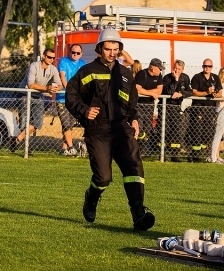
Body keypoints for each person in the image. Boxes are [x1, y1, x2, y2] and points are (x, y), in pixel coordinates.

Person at [65, 27, 155, 232]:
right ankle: (91, 197)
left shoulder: (125, 74)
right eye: (108, 48)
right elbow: (71, 95)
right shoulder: (87, 71)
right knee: (103, 177)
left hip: (122, 130)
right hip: (98, 131)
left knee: (134, 170)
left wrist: (134, 119)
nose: (112, 53)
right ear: (99, 49)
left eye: (116, 49)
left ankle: (138, 215)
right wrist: (84, 110)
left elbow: (132, 102)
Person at [10, 48, 60, 152]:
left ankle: (17, 140)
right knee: (23, 123)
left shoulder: (53, 69)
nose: (51, 59)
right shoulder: (34, 66)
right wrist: (47, 88)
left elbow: (59, 84)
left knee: (38, 122)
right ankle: (24, 147)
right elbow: (31, 84)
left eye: (53, 58)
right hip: (25, 94)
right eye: (49, 57)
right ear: (43, 56)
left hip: (37, 96)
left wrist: (55, 88)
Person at [189, 59, 222, 161]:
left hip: (210, 108)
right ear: (202, 66)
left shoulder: (215, 78)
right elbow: (194, 92)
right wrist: (206, 92)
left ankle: (203, 154)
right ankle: (195, 155)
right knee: (197, 131)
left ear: (212, 67)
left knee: (207, 131)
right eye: (205, 66)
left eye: (209, 66)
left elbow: (220, 91)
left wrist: (216, 95)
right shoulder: (197, 77)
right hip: (199, 107)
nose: (207, 68)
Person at [55, 43, 86, 156]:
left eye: (78, 53)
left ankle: (64, 149)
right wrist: (69, 91)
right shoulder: (63, 61)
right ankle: (72, 147)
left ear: (81, 54)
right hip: (62, 99)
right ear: (69, 52)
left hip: (76, 100)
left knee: (70, 125)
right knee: (66, 124)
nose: (75, 55)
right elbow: (62, 76)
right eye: (73, 52)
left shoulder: (83, 64)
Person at [162, 59, 193, 162]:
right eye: (175, 68)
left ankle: (175, 154)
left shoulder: (185, 78)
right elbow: (169, 91)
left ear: (182, 69)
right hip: (167, 106)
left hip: (177, 108)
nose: (176, 70)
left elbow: (190, 92)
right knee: (166, 130)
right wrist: (175, 80)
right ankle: (163, 154)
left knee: (176, 131)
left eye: (179, 69)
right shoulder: (167, 78)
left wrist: (181, 94)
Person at [134, 58, 164, 156]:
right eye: (159, 68)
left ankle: (142, 151)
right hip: (139, 105)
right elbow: (137, 89)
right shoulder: (142, 74)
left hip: (149, 105)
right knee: (139, 128)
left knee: (147, 128)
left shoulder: (159, 76)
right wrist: (151, 93)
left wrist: (147, 92)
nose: (161, 70)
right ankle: (135, 151)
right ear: (153, 68)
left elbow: (159, 90)